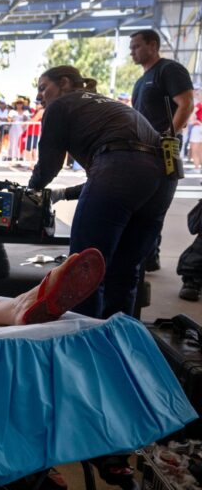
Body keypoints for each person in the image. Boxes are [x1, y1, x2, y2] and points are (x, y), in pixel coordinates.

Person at [29, 65, 177, 319]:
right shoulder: (108, 105)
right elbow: (125, 170)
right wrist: (63, 193)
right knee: (125, 271)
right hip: (164, 175)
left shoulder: (61, 105)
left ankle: (82, 343)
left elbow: (49, 166)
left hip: (120, 169)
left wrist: (30, 191)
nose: (40, 96)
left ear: (64, 83)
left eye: (43, 88)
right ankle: (117, 340)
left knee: (84, 268)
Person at [130, 29, 194, 272]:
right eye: (131, 48)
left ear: (153, 45)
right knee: (141, 206)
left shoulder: (169, 70)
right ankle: (148, 255)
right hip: (143, 150)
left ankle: (148, 256)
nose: (132, 52)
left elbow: (186, 103)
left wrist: (167, 137)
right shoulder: (141, 80)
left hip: (162, 150)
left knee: (153, 207)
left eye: (136, 46)